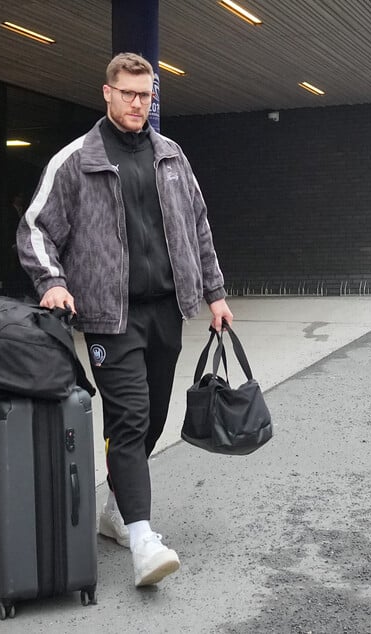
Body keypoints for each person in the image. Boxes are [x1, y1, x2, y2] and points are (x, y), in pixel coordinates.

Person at [16, 52, 233, 587]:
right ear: (107, 93)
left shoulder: (172, 156)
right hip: (110, 317)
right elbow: (35, 230)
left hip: (166, 310)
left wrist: (216, 293)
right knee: (129, 417)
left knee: (152, 416)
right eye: (129, 93)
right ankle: (142, 539)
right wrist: (54, 283)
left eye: (147, 95)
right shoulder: (76, 159)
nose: (139, 103)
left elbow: (198, 226)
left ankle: (116, 510)